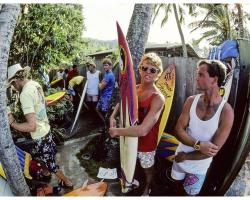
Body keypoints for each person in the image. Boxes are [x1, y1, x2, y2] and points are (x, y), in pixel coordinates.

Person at [170, 60, 234, 196]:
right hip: (179, 159)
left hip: (198, 166)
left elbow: (212, 150)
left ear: (214, 79)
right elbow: (178, 129)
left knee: (189, 195)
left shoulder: (226, 112)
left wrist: (186, 155)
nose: (196, 78)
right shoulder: (191, 101)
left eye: (201, 74)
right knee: (174, 189)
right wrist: (198, 145)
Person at [7, 63, 73, 189]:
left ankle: (67, 181)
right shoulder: (35, 84)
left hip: (39, 135)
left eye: (12, 84)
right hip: (46, 129)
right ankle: (46, 172)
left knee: (50, 163)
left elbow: (32, 127)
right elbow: (44, 104)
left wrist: (12, 123)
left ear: (16, 80)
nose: (13, 87)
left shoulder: (25, 94)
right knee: (37, 156)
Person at [109, 53, 165, 195]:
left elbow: (143, 130)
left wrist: (117, 131)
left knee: (147, 168)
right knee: (128, 163)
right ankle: (130, 182)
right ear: (139, 69)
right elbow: (122, 102)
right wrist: (113, 116)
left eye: (153, 70)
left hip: (146, 143)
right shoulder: (135, 88)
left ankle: (148, 186)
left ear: (158, 74)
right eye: (145, 68)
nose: (148, 72)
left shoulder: (158, 98)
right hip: (128, 137)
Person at [96, 58, 115, 130]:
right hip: (104, 95)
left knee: (105, 113)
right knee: (97, 109)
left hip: (106, 97)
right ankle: (105, 124)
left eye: (106, 65)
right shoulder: (107, 74)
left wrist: (99, 83)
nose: (104, 67)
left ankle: (107, 127)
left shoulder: (109, 75)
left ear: (110, 66)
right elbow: (102, 84)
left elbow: (100, 87)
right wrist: (101, 83)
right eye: (104, 65)